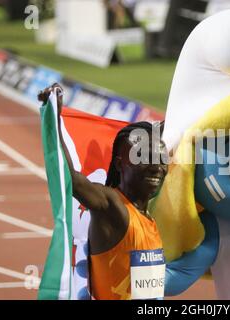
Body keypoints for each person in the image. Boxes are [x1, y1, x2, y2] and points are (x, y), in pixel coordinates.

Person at [38, 83, 169, 300]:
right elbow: (73, 179)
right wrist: (53, 117)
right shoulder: (113, 207)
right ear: (119, 164)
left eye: (161, 158)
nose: (157, 166)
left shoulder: (146, 216)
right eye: (144, 157)